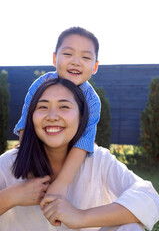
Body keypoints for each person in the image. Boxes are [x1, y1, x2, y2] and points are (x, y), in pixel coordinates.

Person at [1, 78, 159, 231]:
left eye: (64, 107)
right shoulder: (8, 163)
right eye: (42, 107)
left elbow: (149, 198)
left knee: (130, 227)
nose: (52, 116)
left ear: (82, 116)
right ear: (31, 117)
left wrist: (81, 217)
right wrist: (11, 196)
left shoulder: (98, 160)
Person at [13, 26, 100, 198]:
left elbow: (84, 143)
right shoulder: (40, 85)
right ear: (54, 58)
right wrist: (32, 175)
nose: (76, 61)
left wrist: (61, 184)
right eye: (68, 54)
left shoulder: (92, 100)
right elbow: (25, 125)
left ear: (95, 67)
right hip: (38, 154)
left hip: (69, 160)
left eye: (85, 57)